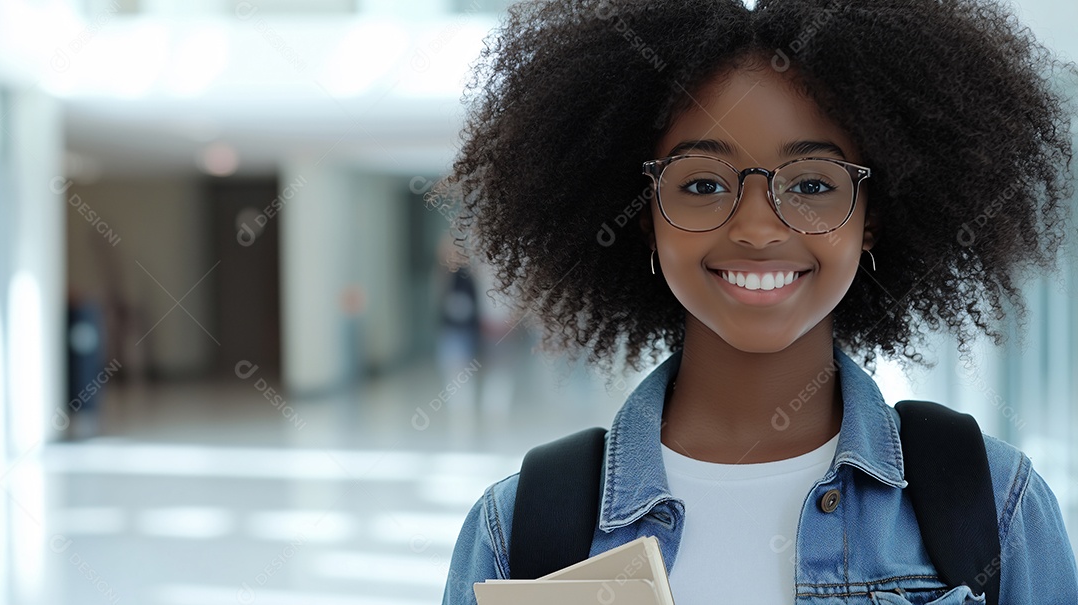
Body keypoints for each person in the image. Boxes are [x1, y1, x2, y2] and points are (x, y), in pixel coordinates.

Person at [433, 0, 1078, 603]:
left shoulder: (992, 502)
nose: (758, 227)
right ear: (643, 217)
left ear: (870, 220)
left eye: (814, 183)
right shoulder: (521, 529)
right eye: (704, 183)